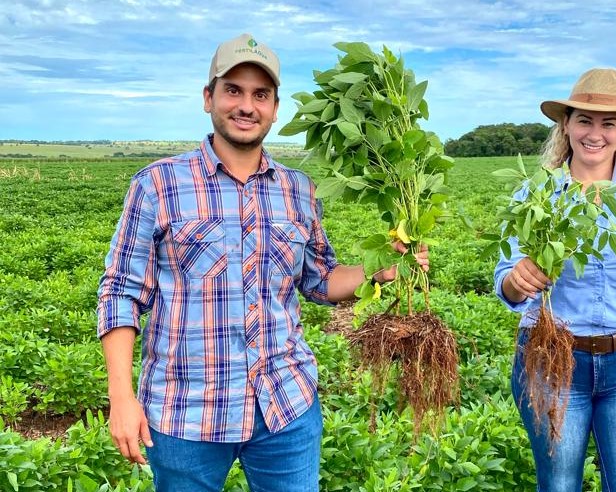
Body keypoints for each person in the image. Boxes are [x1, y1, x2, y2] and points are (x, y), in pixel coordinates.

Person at [97, 33, 428, 492]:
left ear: (274, 108)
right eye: (233, 90)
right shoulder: (159, 184)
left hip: (286, 408)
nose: (246, 106)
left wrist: (379, 271)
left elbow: (320, 279)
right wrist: (121, 396)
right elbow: (120, 292)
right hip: (185, 413)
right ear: (208, 97)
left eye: (260, 95)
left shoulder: (299, 190)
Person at [494, 68, 616, 491]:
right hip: (550, 361)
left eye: (608, 122)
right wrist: (518, 279)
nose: (594, 133)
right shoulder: (535, 193)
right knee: (560, 483)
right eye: (584, 119)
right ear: (566, 125)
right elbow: (504, 280)